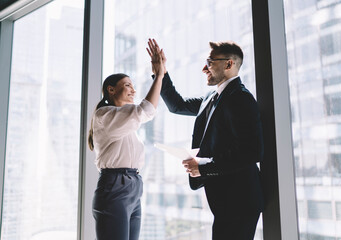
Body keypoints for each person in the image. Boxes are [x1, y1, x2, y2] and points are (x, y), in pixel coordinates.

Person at [152, 40, 264, 240]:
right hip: (225, 202)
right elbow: (177, 105)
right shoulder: (210, 98)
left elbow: (251, 151)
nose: (204, 68)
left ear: (229, 64)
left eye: (210, 62)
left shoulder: (240, 98)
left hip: (240, 200)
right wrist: (161, 74)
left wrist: (202, 167)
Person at [88, 39, 164, 240]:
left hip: (133, 186)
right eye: (127, 85)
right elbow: (145, 110)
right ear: (111, 89)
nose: (133, 90)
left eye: (133, 86)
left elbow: (143, 113)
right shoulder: (104, 115)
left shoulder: (126, 125)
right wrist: (159, 76)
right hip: (115, 185)